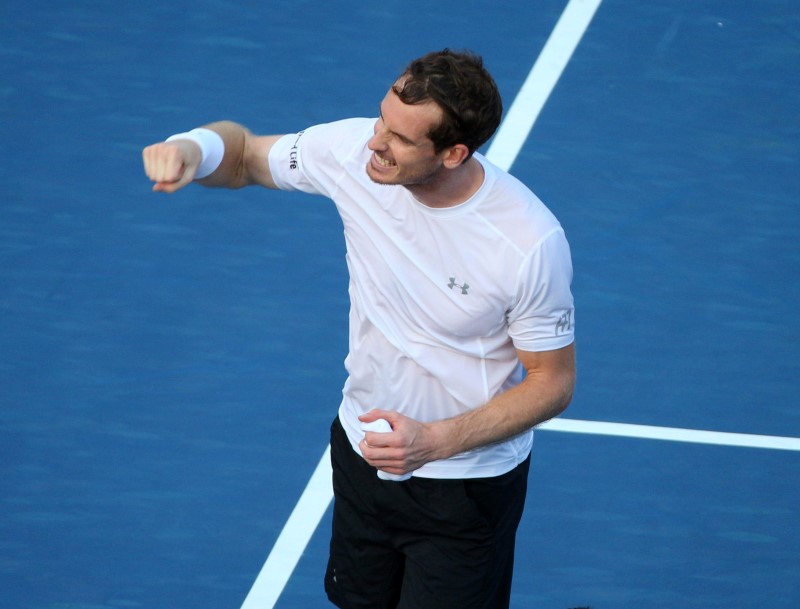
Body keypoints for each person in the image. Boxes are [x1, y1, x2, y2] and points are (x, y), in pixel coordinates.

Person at [142, 49, 576, 609]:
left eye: (399, 137)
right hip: (360, 452)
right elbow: (245, 154)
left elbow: (552, 383)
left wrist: (434, 441)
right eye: (381, 119)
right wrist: (190, 148)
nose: (375, 141)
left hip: (464, 486)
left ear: (453, 154)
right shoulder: (354, 154)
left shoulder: (527, 243)